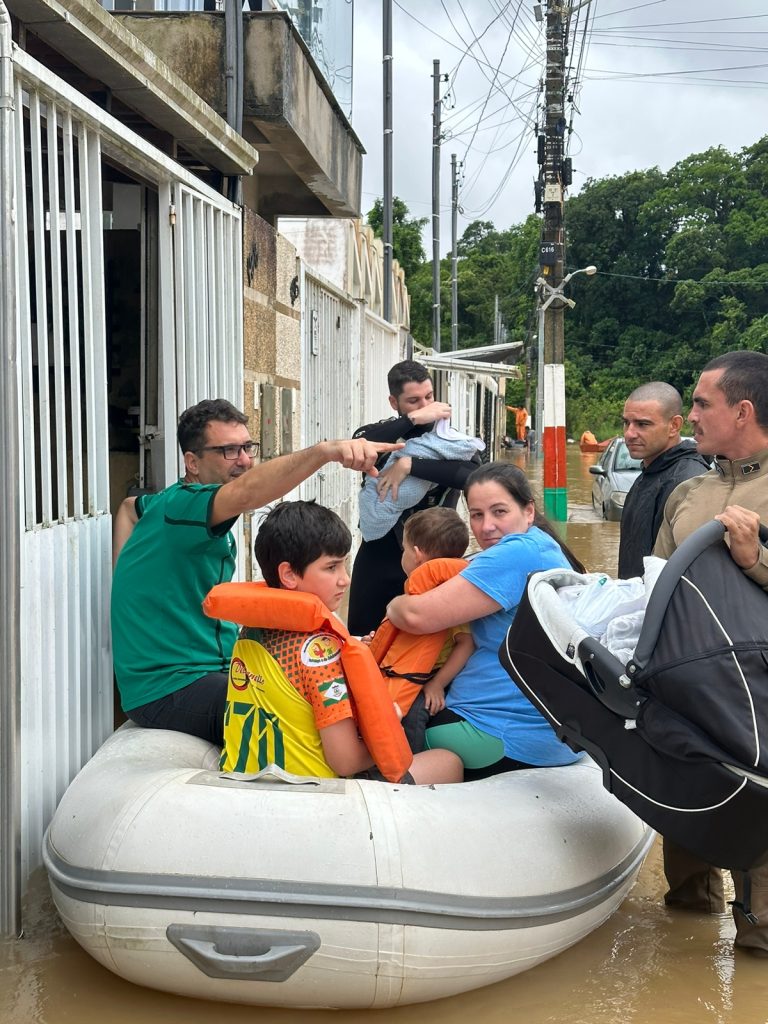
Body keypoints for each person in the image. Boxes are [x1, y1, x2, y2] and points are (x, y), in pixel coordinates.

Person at [110, 398, 401, 747]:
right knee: (323, 720)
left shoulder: (164, 505)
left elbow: (129, 508)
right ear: (193, 462)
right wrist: (326, 451)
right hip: (170, 686)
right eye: (228, 451)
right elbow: (246, 493)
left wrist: (122, 583)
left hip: (203, 670)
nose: (245, 460)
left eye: (247, 447)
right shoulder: (182, 504)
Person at [216, 501, 463, 785]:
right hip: (310, 791)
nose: (345, 579)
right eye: (331, 567)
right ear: (289, 575)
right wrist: (389, 723)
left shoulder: (249, 631)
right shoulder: (319, 653)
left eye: (344, 564)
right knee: (448, 761)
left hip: (244, 779)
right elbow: (345, 761)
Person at [653, 350, 768, 956]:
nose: (690, 413)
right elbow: (650, 590)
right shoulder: (688, 493)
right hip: (688, 698)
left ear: (742, 411)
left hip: (762, 704)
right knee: (686, 897)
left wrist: (755, 560)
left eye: (701, 403)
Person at [386, 462, 586, 780]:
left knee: (382, 734)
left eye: (499, 512)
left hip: (497, 732)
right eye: (477, 515)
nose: (486, 526)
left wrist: (392, 609)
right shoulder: (544, 547)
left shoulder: (516, 554)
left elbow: (416, 616)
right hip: (540, 732)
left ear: (528, 511)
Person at [347, 359, 480, 636]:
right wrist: (411, 422)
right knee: (362, 644)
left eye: (429, 397)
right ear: (394, 402)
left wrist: (410, 465)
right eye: (414, 401)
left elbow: (475, 476)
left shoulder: (453, 443)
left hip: (436, 561)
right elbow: (357, 442)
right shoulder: (379, 439)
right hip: (379, 560)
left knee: (432, 653)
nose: (426, 407)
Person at [370, 507, 474, 752]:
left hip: (431, 675)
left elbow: (466, 643)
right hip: (405, 668)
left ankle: (407, 763)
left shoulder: (452, 596)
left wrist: (438, 683)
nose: (402, 554)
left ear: (416, 554)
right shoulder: (420, 589)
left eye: (404, 548)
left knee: (414, 715)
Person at [617, 382, 709, 578]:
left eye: (642, 424)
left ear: (674, 426)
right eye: (626, 423)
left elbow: (689, 572)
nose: (629, 434)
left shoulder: (688, 482)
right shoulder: (648, 474)